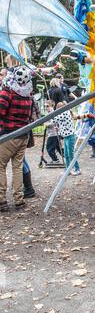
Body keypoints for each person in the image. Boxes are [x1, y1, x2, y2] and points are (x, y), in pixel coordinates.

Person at [0, 66, 33, 211]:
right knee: (17, 168)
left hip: (8, 134)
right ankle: (19, 199)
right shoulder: (28, 95)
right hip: (23, 135)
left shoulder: (8, 92)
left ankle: (1, 200)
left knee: (0, 167)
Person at [54, 102, 81, 176]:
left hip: (70, 137)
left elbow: (54, 119)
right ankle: (67, 169)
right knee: (66, 154)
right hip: (66, 137)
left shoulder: (65, 113)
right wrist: (58, 128)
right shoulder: (63, 114)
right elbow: (61, 124)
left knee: (71, 154)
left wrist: (51, 112)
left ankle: (77, 169)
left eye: (58, 109)